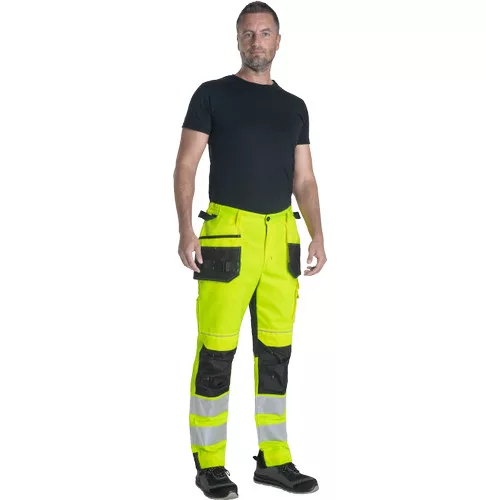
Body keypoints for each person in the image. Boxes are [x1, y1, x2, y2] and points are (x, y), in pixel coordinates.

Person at [174, 2, 327, 498]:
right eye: (247, 33)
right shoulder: (212, 94)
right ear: (237, 39)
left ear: (278, 41)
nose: (256, 41)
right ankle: (209, 462)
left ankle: (274, 460)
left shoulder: (295, 106)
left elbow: (305, 179)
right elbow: (186, 165)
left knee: (275, 354)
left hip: (282, 237)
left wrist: (318, 234)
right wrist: (185, 229)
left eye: (264, 33)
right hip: (228, 236)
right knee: (216, 351)